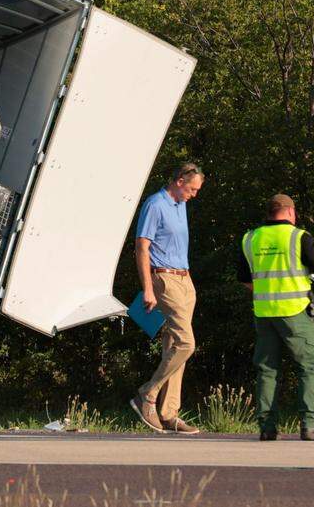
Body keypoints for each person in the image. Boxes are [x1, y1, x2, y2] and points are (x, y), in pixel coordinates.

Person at [238, 194, 314, 441]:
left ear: (269, 213)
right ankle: (310, 425)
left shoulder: (250, 239)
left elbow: (246, 281)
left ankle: (267, 427)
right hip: (295, 311)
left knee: (267, 370)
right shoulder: (299, 237)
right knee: (309, 365)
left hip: (264, 313)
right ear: (291, 212)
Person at [129, 162, 204, 434]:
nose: (194, 195)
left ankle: (169, 413)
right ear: (180, 180)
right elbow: (141, 247)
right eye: (192, 189)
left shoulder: (180, 205)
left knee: (174, 343)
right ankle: (147, 394)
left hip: (185, 279)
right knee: (186, 343)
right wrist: (148, 288)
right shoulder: (155, 204)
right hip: (164, 278)